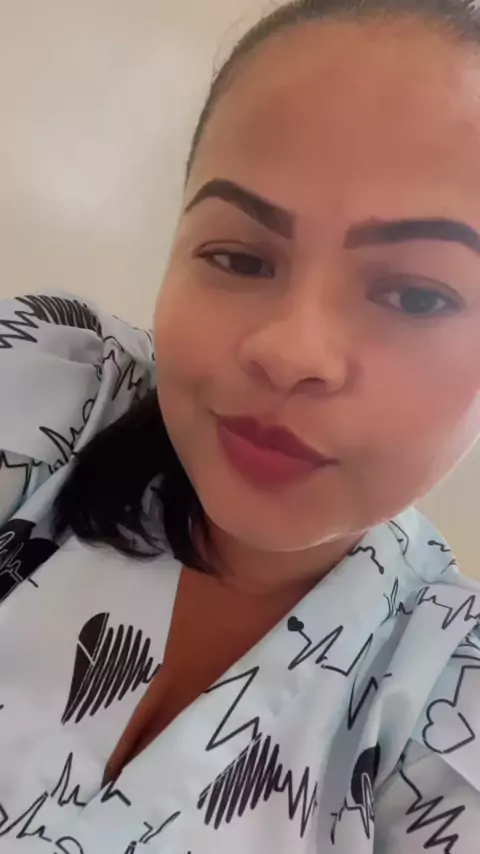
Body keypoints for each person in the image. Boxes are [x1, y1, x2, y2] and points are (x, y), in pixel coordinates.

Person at [2, 0, 480, 850]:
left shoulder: (450, 702)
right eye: (238, 257)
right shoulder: (49, 387)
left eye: (415, 296)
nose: (291, 352)